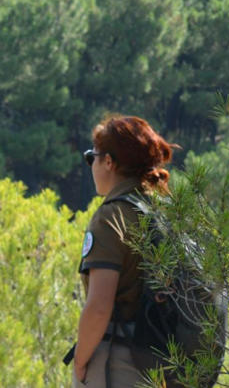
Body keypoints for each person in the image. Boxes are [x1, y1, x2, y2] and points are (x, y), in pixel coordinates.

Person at [72, 115, 178, 387]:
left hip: (118, 361)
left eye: (91, 157)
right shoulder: (165, 212)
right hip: (165, 361)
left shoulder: (111, 217)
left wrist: (81, 360)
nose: (90, 165)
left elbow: (98, 307)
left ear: (108, 162)